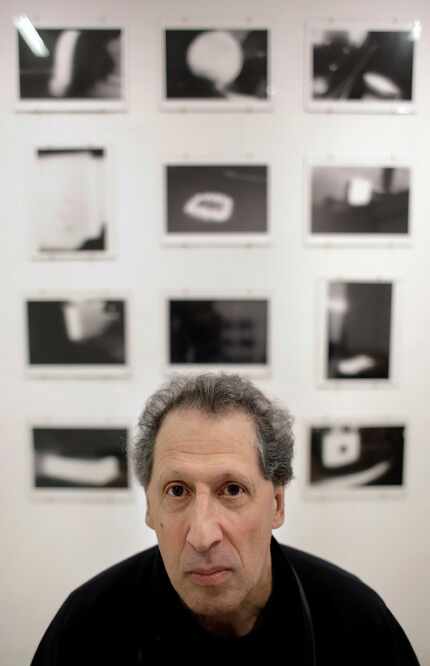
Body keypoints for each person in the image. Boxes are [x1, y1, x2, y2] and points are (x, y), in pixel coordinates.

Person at [31, 373, 420, 664]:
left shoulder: (357, 625)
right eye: (177, 491)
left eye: (232, 490)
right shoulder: (85, 629)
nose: (202, 536)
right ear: (149, 507)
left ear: (277, 505)